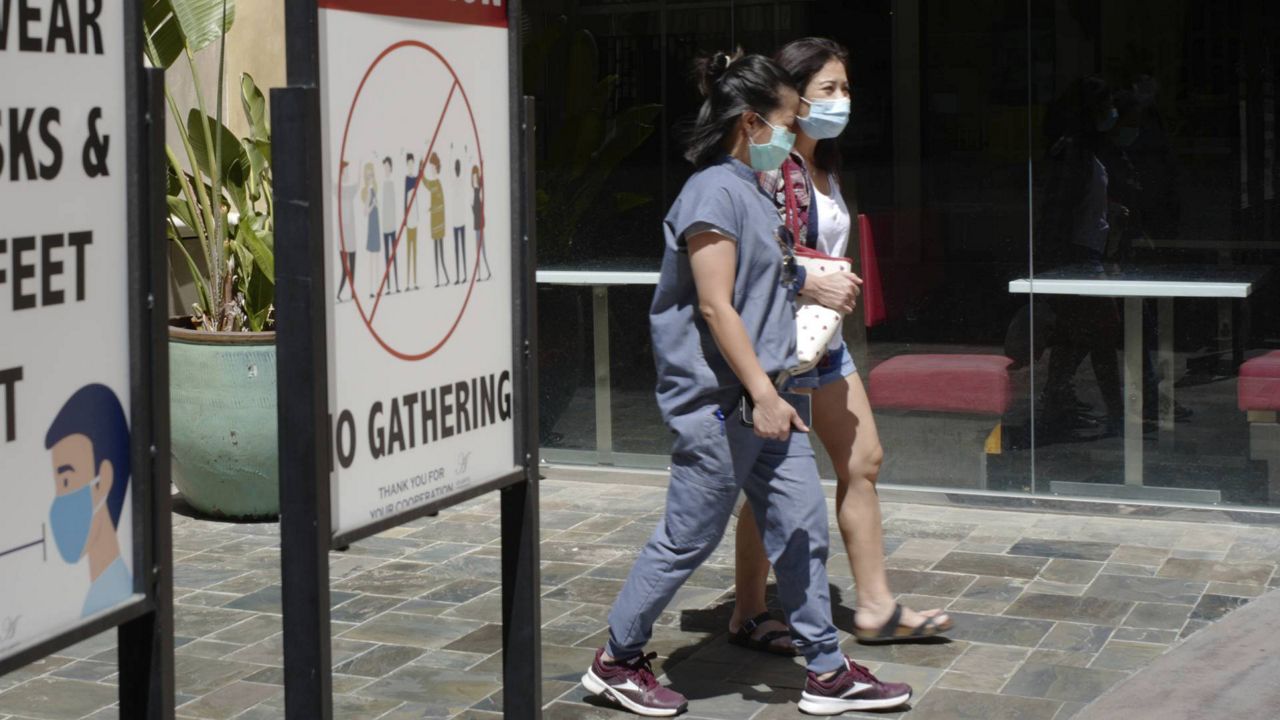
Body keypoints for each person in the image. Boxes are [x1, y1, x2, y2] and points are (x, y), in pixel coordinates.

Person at [581, 49, 912, 717]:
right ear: (751, 124)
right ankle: (616, 660)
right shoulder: (712, 193)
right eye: (787, 123)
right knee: (687, 537)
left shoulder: (755, 192)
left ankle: (826, 672)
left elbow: (771, 278)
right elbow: (715, 305)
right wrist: (761, 394)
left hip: (771, 396)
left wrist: (778, 377)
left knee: (800, 528)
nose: (794, 137)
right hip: (723, 404)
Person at [732, 37, 952, 652]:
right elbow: (749, 256)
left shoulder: (824, 167)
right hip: (778, 345)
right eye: (829, 89)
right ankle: (749, 610)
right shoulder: (766, 168)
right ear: (793, 97)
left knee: (864, 461)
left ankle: (877, 607)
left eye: (846, 88)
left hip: (822, 342)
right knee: (767, 477)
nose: (842, 100)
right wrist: (810, 275)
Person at [1037, 76, 1125, 440]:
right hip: (1079, 257)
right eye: (1107, 106)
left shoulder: (1084, 151)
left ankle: (1055, 400)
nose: (1112, 113)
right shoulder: (1073, 152)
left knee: (1077, 336)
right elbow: (1062, 210)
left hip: (1086, 254)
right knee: (1103, 333)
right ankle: (1118, 415)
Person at [45, 384, 133, 617]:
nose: (59, 502)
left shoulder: (105, 595)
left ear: (103, 480)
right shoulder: (99, 594)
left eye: (65, 482)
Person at [425, 153, 450, 287]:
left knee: (440, 253)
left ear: (435, 167)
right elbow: (426, 183)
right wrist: (420, 169)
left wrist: (432, 208)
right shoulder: (434, 183)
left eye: (431, 167)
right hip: (434, 223)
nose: (430, 169)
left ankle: (444, 278)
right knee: (436, 252)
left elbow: (441, 204)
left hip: (439, 223)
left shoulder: (437, 184)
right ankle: (439, 279)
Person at [336, 160, 358, 302]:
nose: (348, 174)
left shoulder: (348, 191)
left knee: (352, 266)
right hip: (343, 237)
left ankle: (352, 293)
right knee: (345, 269)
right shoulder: (339, 191)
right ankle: (339, 293)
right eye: (346, 172)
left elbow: (357, 184)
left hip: (350, 235)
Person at [380, 157, 402, 294]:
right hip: (385, 225)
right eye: (384, 166)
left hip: (392, 225)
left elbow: (393, 204)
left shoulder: (392, 182)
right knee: (386, 257)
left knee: (394, 255)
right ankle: (388, 286)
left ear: (391, 167)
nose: (385, 168)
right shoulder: (383, 182)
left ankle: (397, 285)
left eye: (387, 166)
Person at [361, 162, 381, 298]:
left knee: (377, 259)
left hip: (376, 225)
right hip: (372, 226)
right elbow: (365, 212)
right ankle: (371, 289)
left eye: (372, 175)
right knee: (372, 259)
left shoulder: (374, 190)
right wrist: (373, 205)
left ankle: (377, 287)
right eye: (369, 176)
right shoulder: (368, 192)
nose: (371, 178)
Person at [404, 152, 423, 290]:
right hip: (409, 219)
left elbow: (420, 174)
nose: (411, 166)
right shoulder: (407, 179)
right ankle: (407, 282)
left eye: (412, 163)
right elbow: (405, 199)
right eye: (409, 164)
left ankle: (415, 281)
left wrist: (422, 156)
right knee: (408, 251)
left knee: (414, 250)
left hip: (414, 218)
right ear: (407, 164)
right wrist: (405, 218)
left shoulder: (415, 178)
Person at [471, 165, 491, 281]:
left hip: (480, 224)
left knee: (482, 250)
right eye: (473, 178)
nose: (474, 180)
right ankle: (479, 275)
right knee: (477, 250)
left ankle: (487, 271)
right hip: (476, 225)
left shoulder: (479, 193)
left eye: (476, 178)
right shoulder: (473, 193)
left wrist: (482, 167)